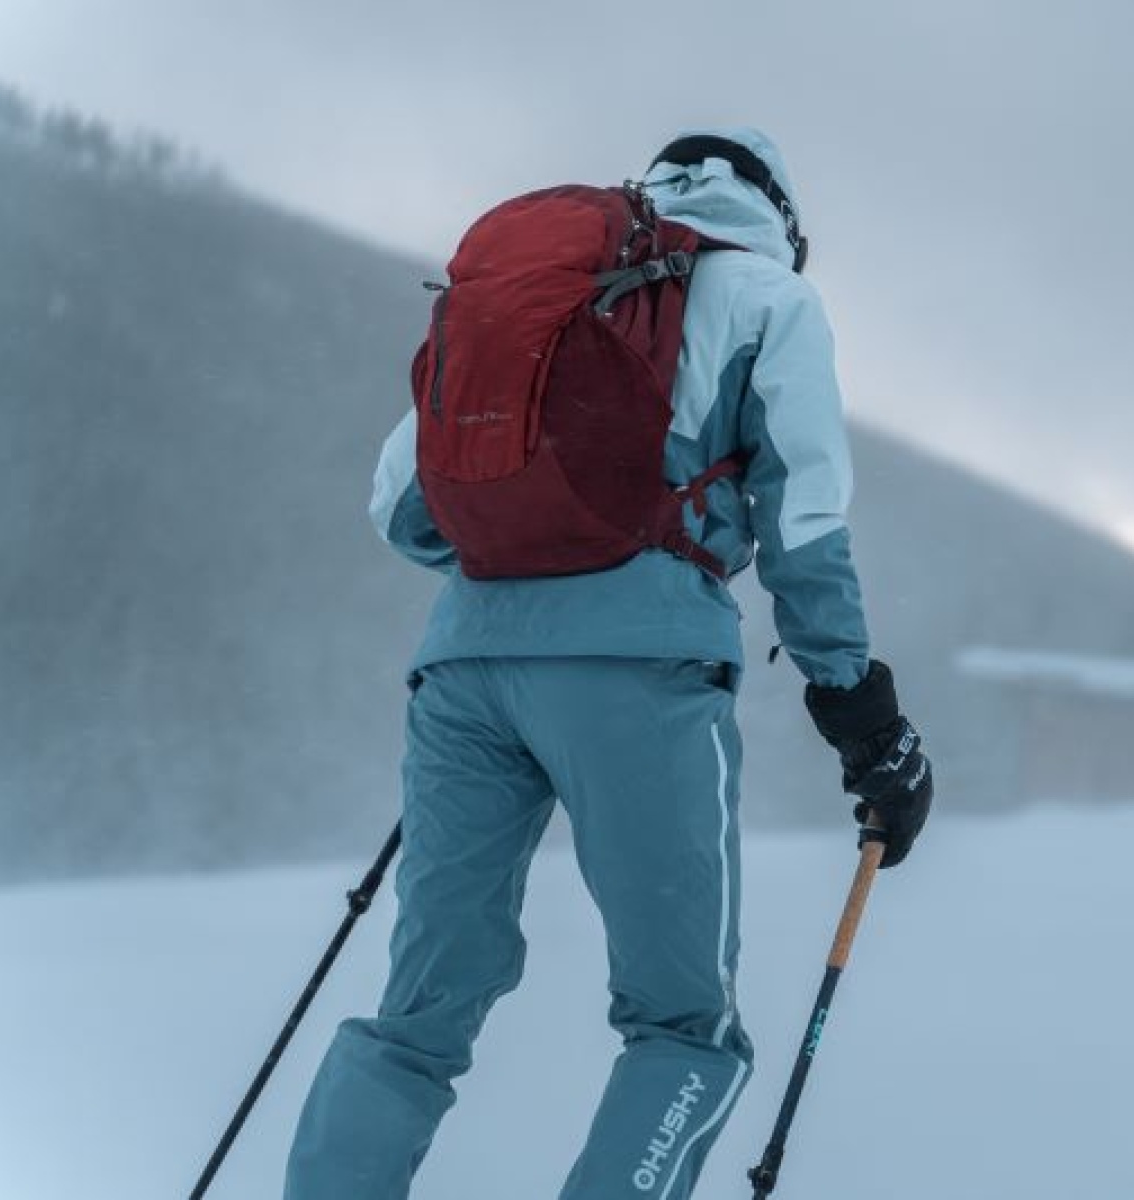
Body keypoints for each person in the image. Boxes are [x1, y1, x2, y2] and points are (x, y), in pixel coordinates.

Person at [284, 126, 934, 1200]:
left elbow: (402, 508)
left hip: (464, 672)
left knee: (418, 1016)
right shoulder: (769, 298)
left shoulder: (546, 287)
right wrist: (865, 720)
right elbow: (805, 526)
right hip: (639, 672)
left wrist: (529, 567)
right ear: (780, 219)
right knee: (684, 1029)